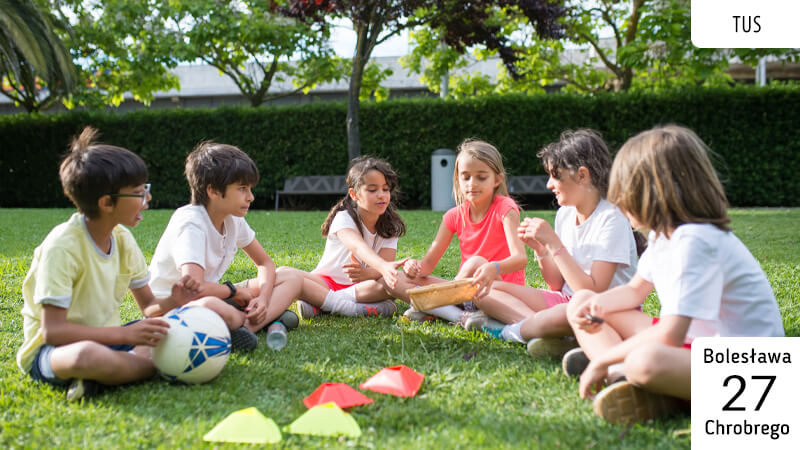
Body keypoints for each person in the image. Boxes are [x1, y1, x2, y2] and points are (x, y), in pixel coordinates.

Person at [565, 125, 784, 424]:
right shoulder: (662, 237)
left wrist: (603, 357)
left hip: (747, 366)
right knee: (582, 300)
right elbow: (635, 291)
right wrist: (597, 307)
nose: (615, 202)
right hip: (696, 347)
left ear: (652, 193)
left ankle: (627, 373)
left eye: (623, 192)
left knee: (646, 361)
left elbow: (669, 334)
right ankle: (625, 378)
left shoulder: (696, 240)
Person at [16, 127, 201, 401]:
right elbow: (53, 331)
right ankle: (156, 369)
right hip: (53, 352)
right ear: (106, 203)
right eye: (139, 193)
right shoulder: (62, 247)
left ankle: (103, 379)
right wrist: (125, 334)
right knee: (85, 356)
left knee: (171, 331)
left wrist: (174, 301)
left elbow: (149, 306)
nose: (147, 199)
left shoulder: (122, 239)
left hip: (110, 340)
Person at [463, 130, 639, 354]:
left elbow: (592, 291)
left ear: (582, 176)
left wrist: (554, 244)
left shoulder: (611, 219)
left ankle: (525, 330)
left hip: (602, 309)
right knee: (482, 290)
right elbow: (556, 284)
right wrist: (541, 250)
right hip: (565, 301)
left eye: (556, 176)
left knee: (565, 310)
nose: (549, 184)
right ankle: (547, 331)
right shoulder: (565, 214)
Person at [149, 141, 297, 352]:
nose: (251, 197)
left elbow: (265, 263)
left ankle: (250, 319)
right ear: (214, 191)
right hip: (175, 310)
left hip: (210, 297)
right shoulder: (191, 224)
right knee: (214, 306)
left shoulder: (232, 218)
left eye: (250, 189)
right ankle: (247, 323)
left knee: (289, 276)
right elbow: (194, 289)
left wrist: (263, 299)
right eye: (242, 189)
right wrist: (233, 291)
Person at [384, 138, 527, 324]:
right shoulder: (453, 216)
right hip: (463, 290)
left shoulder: (505, 208)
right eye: (465, 177)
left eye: (481, 177)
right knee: (395, 279)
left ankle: (435, 307)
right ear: (457, 179)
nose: (472, 184)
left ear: (497, 180)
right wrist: (413, 267)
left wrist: (492, 267)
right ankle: (458, 315)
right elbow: (427, 266)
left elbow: (520, 259)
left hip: (498, 291)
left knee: (475, 263)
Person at [275, 156, 406, 320]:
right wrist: (383, 268)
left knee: (391, 282)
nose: (381, 195)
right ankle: (352, 308)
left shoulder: (390, 225)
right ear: (354, 194)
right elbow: (358, 246)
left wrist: (368, 274)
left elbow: (385, 266)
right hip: (325, 282)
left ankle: (321, 303)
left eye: (385, 189)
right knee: (283, 272)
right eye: (372, 190)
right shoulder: (343, 217)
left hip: (362, 288)